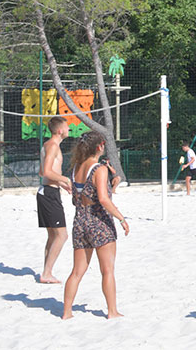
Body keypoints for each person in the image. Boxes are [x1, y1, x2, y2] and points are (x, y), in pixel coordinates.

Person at [62, 131, 130, 319]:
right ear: (99, 146)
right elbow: (103, 199)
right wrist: (121, 219)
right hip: (99, 221)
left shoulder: (76, 167)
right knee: (107, 270)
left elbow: (78, 196)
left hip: (80, 221)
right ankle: (112, 311)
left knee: (76, 271)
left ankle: (67, 312)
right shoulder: (99, 169)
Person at [37, 116, 71, 284]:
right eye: (67, 126)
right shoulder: (52, 146)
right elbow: (46, 172)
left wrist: (61, 184)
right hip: (49, 194)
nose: (69, 128)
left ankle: (46, 271)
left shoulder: (47, 145)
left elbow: (42, 173)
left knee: (53, 235)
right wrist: (65, 180)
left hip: (48, 191)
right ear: (60, 130)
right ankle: (47, 272)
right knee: (62, 235)